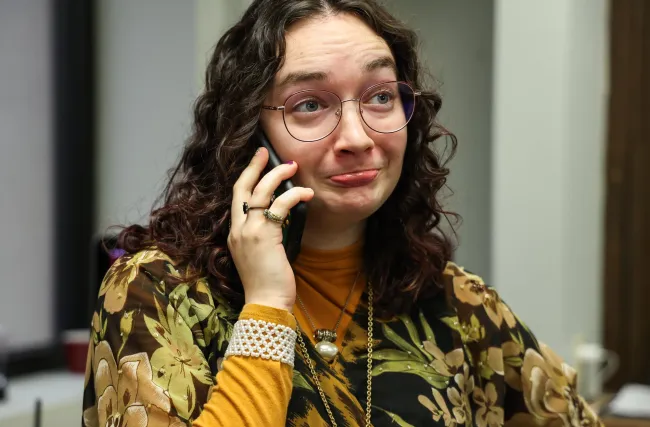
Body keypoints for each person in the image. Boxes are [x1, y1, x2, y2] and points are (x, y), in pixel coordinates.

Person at [82, 0, 603, 426]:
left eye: (379, 96)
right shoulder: (155, 293)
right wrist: (266, 303)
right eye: (310, 104)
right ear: (246, 131)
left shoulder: (456, 304)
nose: (357, 138)